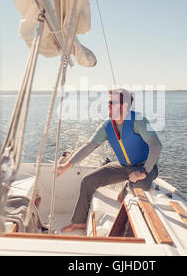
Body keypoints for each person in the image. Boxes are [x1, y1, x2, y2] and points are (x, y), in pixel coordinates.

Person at [56, 88, 162, 233]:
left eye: (112, 102)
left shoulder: (139, 121)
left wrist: (144, 171)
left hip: (145, 168)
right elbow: (89, 146)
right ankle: (79, 222)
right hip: (123, 166)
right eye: (109, 102)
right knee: (88, 181)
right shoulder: (107, 126)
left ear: (124, 106)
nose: (108, 106)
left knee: (139, 184)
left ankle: (128, 186)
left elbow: (156, 144)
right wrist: (65, 167)